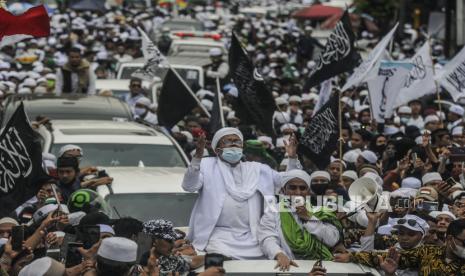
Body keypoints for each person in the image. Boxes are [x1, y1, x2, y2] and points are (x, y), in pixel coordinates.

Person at [182, 127, 301, 259]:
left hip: (253, 235)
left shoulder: (258, 169)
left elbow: (288, 181)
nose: (233, 144)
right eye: (228, 141)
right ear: (217, 149)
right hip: (218, 236)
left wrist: (292, 158)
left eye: (237, 142)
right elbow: (189, 186)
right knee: (220, 260)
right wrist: (197, 158)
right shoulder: (206, 165)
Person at [259, 170, 341, 271]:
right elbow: (267, 237)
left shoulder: (319, 211)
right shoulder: (274, 211)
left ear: (308, 191)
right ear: (283, 190)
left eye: (302, 188)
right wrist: (278, 254)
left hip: (318, 267)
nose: (298, 192)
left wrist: (309, 218)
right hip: (289, 265)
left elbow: (332, 239)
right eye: (292, 188)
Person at [335, 219, 465, 276]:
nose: (405, 237)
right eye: (464, 243)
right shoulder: (428, 252)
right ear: (449, 239)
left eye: (411, 233)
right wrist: (352, 256)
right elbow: (385, 258)